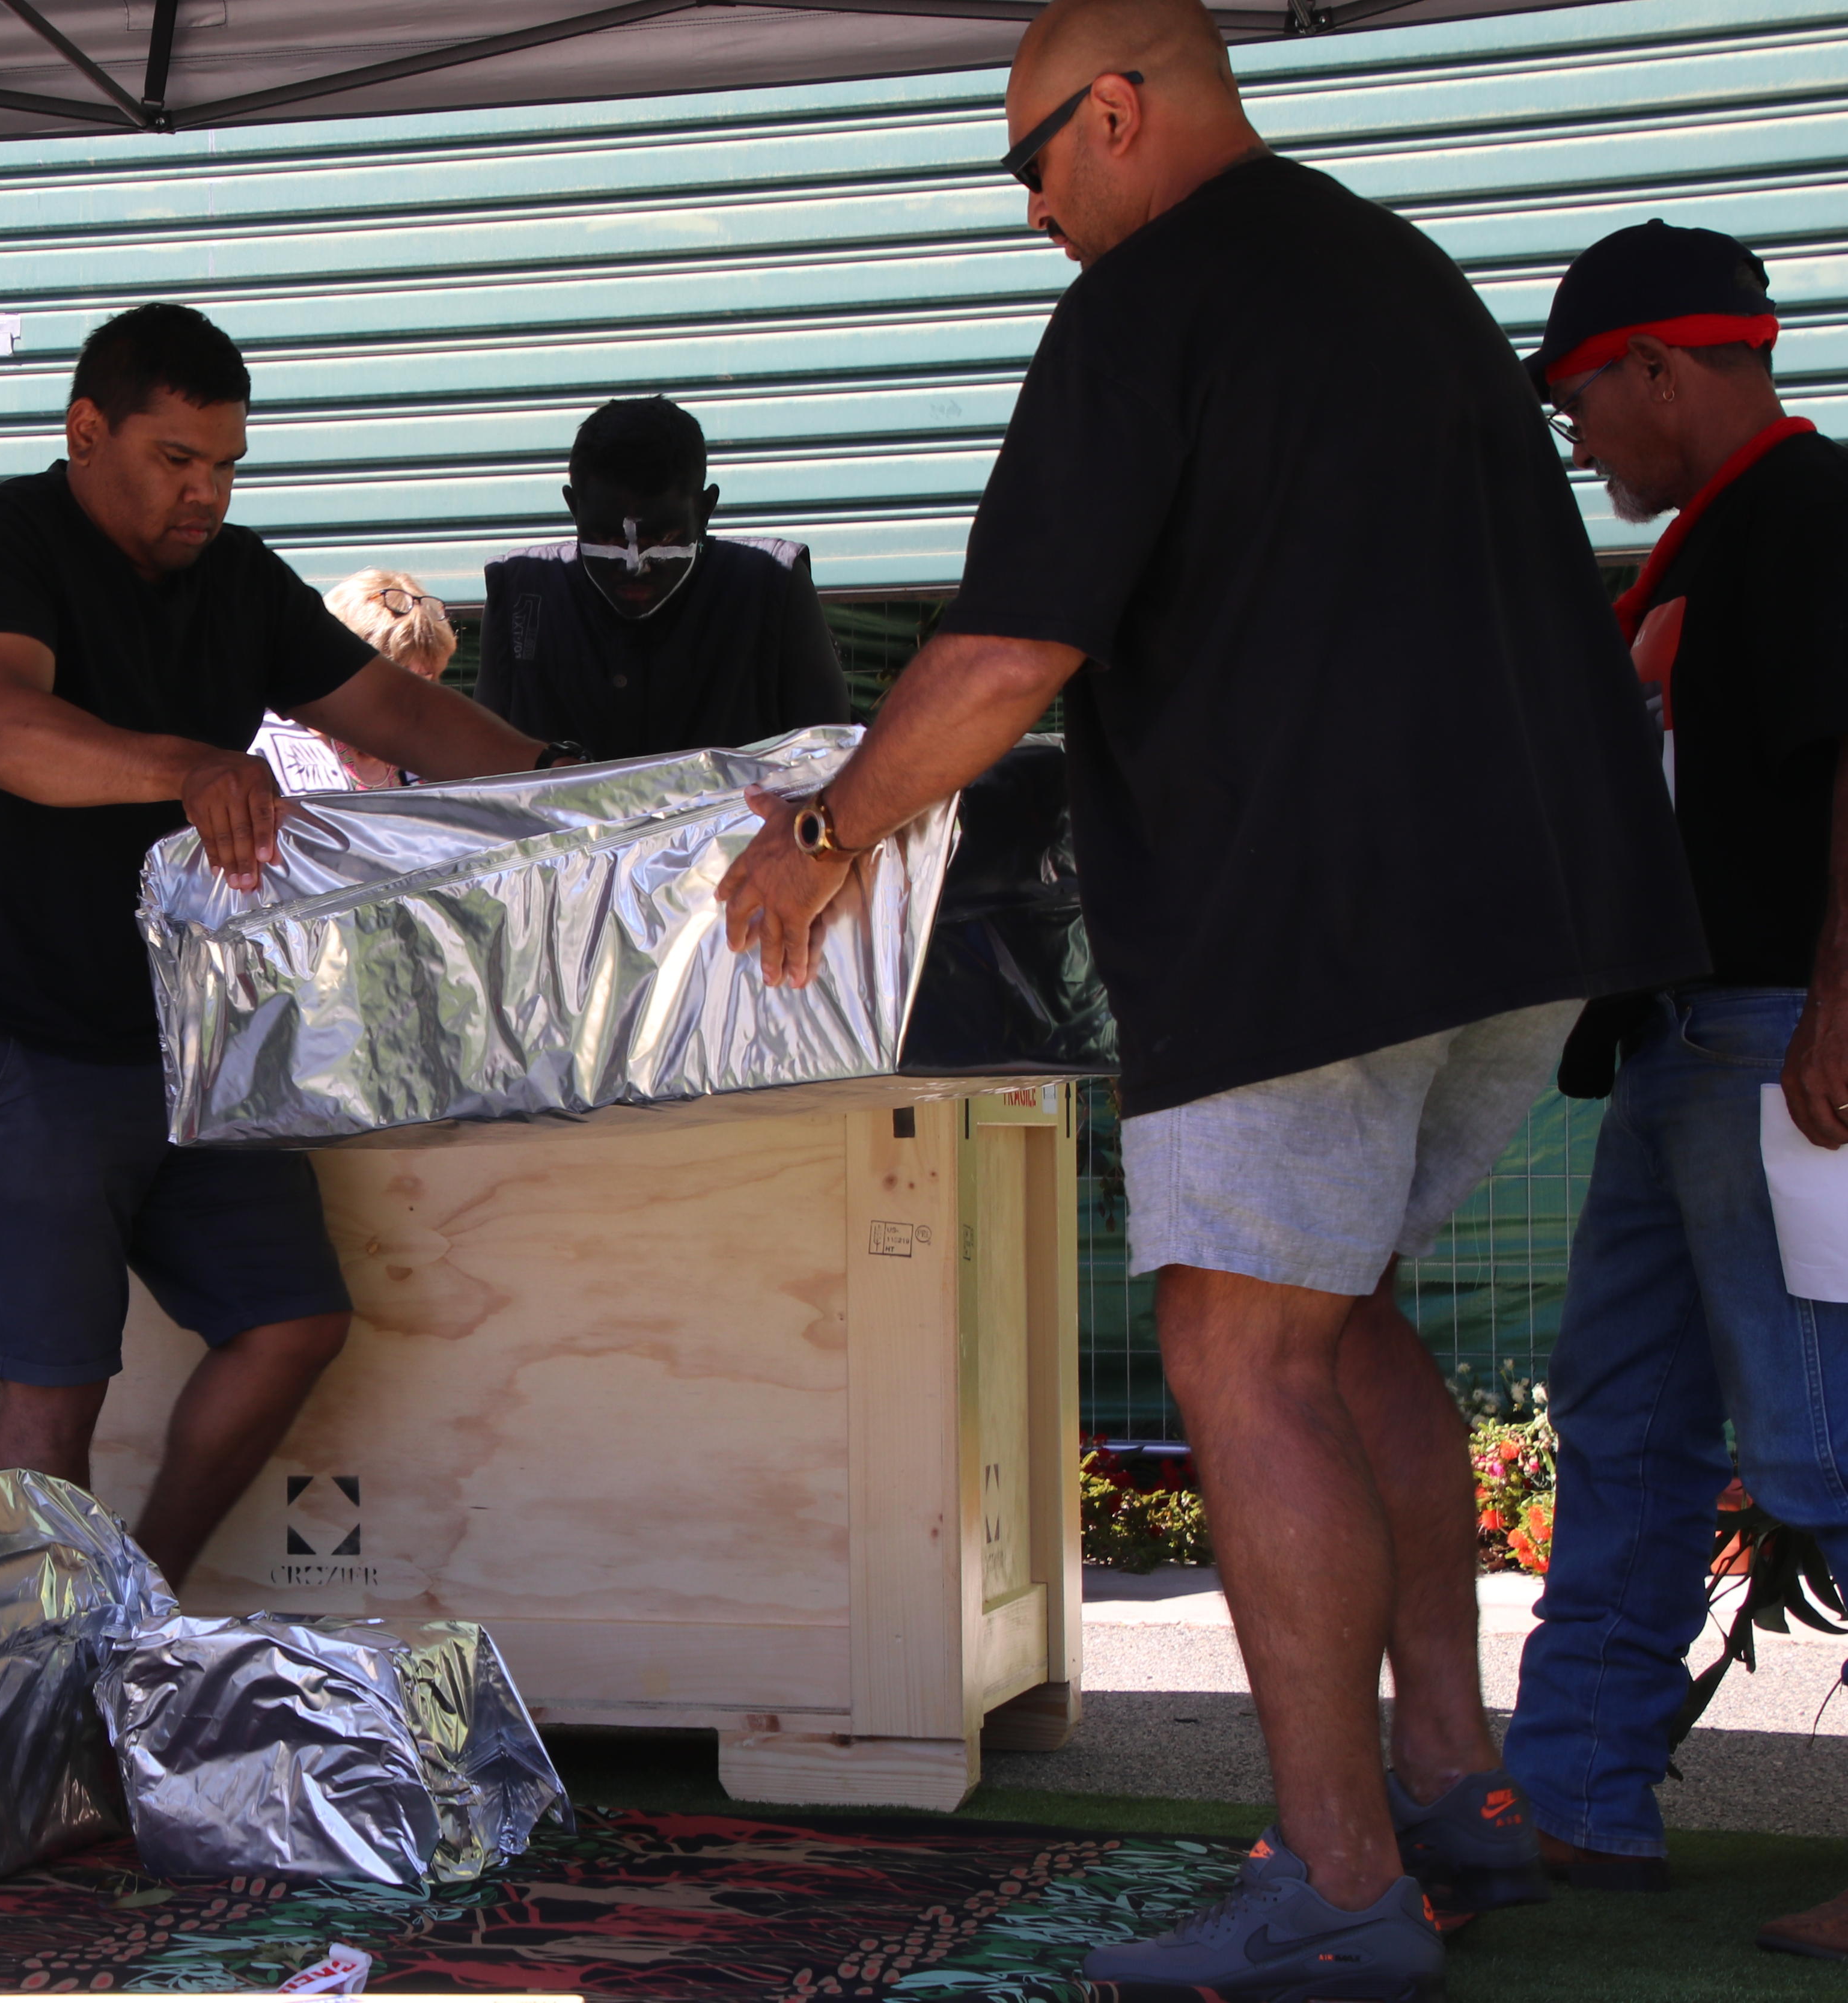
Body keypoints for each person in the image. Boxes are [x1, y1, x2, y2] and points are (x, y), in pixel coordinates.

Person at [711, 4, 1702, 1995]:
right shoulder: (1391, 269)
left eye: (1031, 164)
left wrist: (819, 840)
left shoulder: (1153, 299)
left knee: (1239, 1358)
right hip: (1529, 906)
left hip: (1308, 914)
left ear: (1118, 109)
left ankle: (1337, 1878)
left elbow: (1005, 655)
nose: (1032, 212)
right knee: (1337, 1337)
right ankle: (1453, 1790)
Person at [0, 302, 553, 1589]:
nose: (206, 492)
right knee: (54, 1391)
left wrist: (581, 785)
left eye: (228, 464)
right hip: (13, 1036)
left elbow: (396, 706)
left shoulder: (234, 575)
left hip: (190, 1045)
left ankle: (136, 1599)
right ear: (86, 431)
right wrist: (188, 763)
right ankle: (13, 1696)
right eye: (177, 460)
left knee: (292, 1321)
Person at [1498, 222, 1848, 1960]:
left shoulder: (1813, 514)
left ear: (1659, 365)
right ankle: (1574, 1794)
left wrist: (1843, 1003)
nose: (1583, 442)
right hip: (1679, 1034)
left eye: (1582, 403)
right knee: (1625, 1414)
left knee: (1828, 1440)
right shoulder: (1711, 545)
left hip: (1782, 1027)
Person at [475, 397, 850, 761]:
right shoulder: (522, 594)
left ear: (705, 511)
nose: (634, 564)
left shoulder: (773, 586)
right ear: (574, 509)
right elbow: (479, 767)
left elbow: (827, 761)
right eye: (608, 538)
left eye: (661, 539)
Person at [249, 569, 459, 793]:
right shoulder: (269, 749)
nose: (411, 699)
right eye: (397, 678)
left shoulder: (433, 755)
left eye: (426, 678)